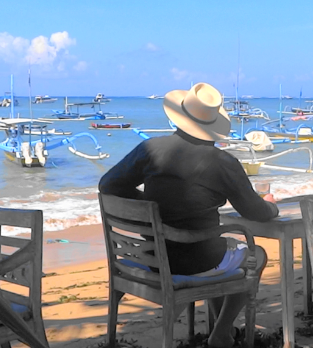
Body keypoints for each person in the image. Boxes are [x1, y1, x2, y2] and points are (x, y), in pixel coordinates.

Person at [99, 82, 278, 348]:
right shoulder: (224, 162)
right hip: (195, 264)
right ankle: (221, 333)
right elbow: (255, 212)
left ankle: (220, 330)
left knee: (219, 250)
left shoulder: (149, 149)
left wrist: (149, 206)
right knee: (256, 255)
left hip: (152, 259)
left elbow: (108, 185)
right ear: (213, 124)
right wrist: (271, 205)